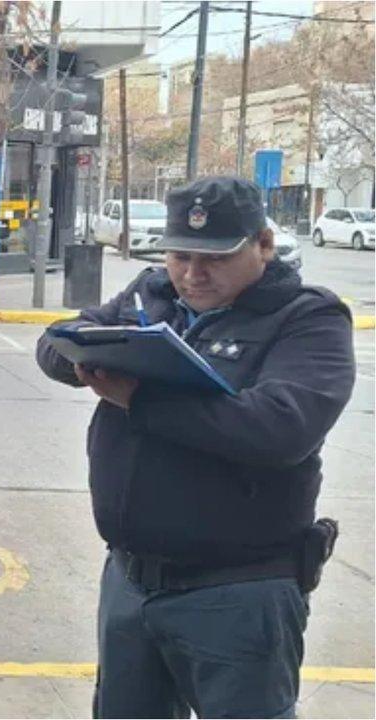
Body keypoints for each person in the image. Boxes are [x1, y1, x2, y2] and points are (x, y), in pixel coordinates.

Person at [35, 176, 355, 719]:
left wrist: (139, 399)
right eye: (180, 256)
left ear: (264, 245)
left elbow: (281, 429)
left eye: (215, 258)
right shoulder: (153, 292)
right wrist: (80, 357)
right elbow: (59, 339)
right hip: (131, 582)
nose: (192, 274)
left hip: (237, 591)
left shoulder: (306, 318)